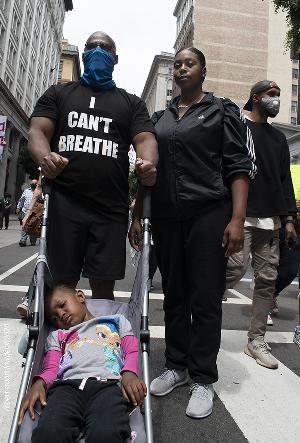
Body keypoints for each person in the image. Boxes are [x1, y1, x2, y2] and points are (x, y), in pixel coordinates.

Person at [129, 47, 256, 419]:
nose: (182, 68)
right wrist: (137, 215)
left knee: (204, 298)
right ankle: (177, 366)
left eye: (190, 64)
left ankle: (203, 377)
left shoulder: (221, 112)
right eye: (179, 64)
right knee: (175, 295)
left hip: (209, 216)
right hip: (168, 218)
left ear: (203, 71)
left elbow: (238, 167)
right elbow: (146, 172)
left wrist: (236, 219)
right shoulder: (159, 118)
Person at [28, 31, 158, 299]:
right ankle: (57, 340)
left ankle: (101, 339)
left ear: (116, 58)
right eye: (92, 46)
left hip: (110, 209)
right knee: (61, 285)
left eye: (106, 47)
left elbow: (145, 139)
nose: (98, 50)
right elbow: (37, 132)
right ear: (85, 55)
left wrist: (148, 163)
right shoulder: (59, 93)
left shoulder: (131, 103)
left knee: (103, 287)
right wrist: (45, 157)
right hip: (65, 203)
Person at [226, 80, 297, 368]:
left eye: (279, 96)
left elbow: (284, 181)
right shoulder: (238, 129)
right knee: (232, 269)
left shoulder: (279, 139)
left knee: (267, 280)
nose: (276, 100)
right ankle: (200, 318)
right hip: (242, 216)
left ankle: (256, 340)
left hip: (272, 221)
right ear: (255, 98)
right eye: (271, 95)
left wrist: (289, 218)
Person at [18, 285, 146, 442]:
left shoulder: (116, 321)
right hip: (66, 388)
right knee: (49, 431)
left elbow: (131, 350)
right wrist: (40, 383)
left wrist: (129, 372)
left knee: (107, 432)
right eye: (55, 318)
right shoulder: (58, 335)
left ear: (80, 296)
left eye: (62, 305)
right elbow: (51, 367)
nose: (60, 314)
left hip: (107, 386)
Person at [269, 199, 300, 320]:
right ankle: (263, 300)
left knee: (290, 271)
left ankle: (272, 294)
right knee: (267, 268)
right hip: (273, 222)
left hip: (296, 230)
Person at [16, 179, 38, 246]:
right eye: (32, 183)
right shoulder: (26, 191)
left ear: (37, 184)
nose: (33, 184)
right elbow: (21, 200)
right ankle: (23, 240)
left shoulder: (39, 192)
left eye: (35, 183)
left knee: (33, 227)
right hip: (25, 211)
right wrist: (18, 207)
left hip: (35, 213)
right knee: (24, 226)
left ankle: (33, 240)